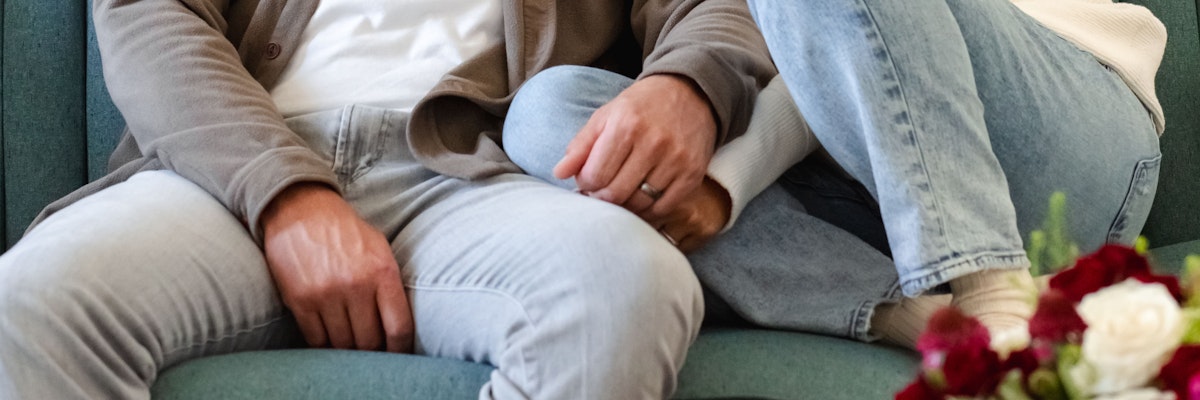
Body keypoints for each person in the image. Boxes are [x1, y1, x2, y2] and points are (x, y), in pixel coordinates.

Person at [0, 0, 776, 399]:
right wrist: (286, 196)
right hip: (229, 168)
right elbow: (147, 17)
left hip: (473, 179)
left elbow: (717, 7)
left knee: (624, 287)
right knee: (28, 305)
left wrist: (689, 85)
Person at [506, 0, 1167, 348]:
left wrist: (729, 178)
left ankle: (995, 303)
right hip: (862, 201)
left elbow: (869, 51)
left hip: (1060, 139)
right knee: (544, 114)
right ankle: (912, 315)